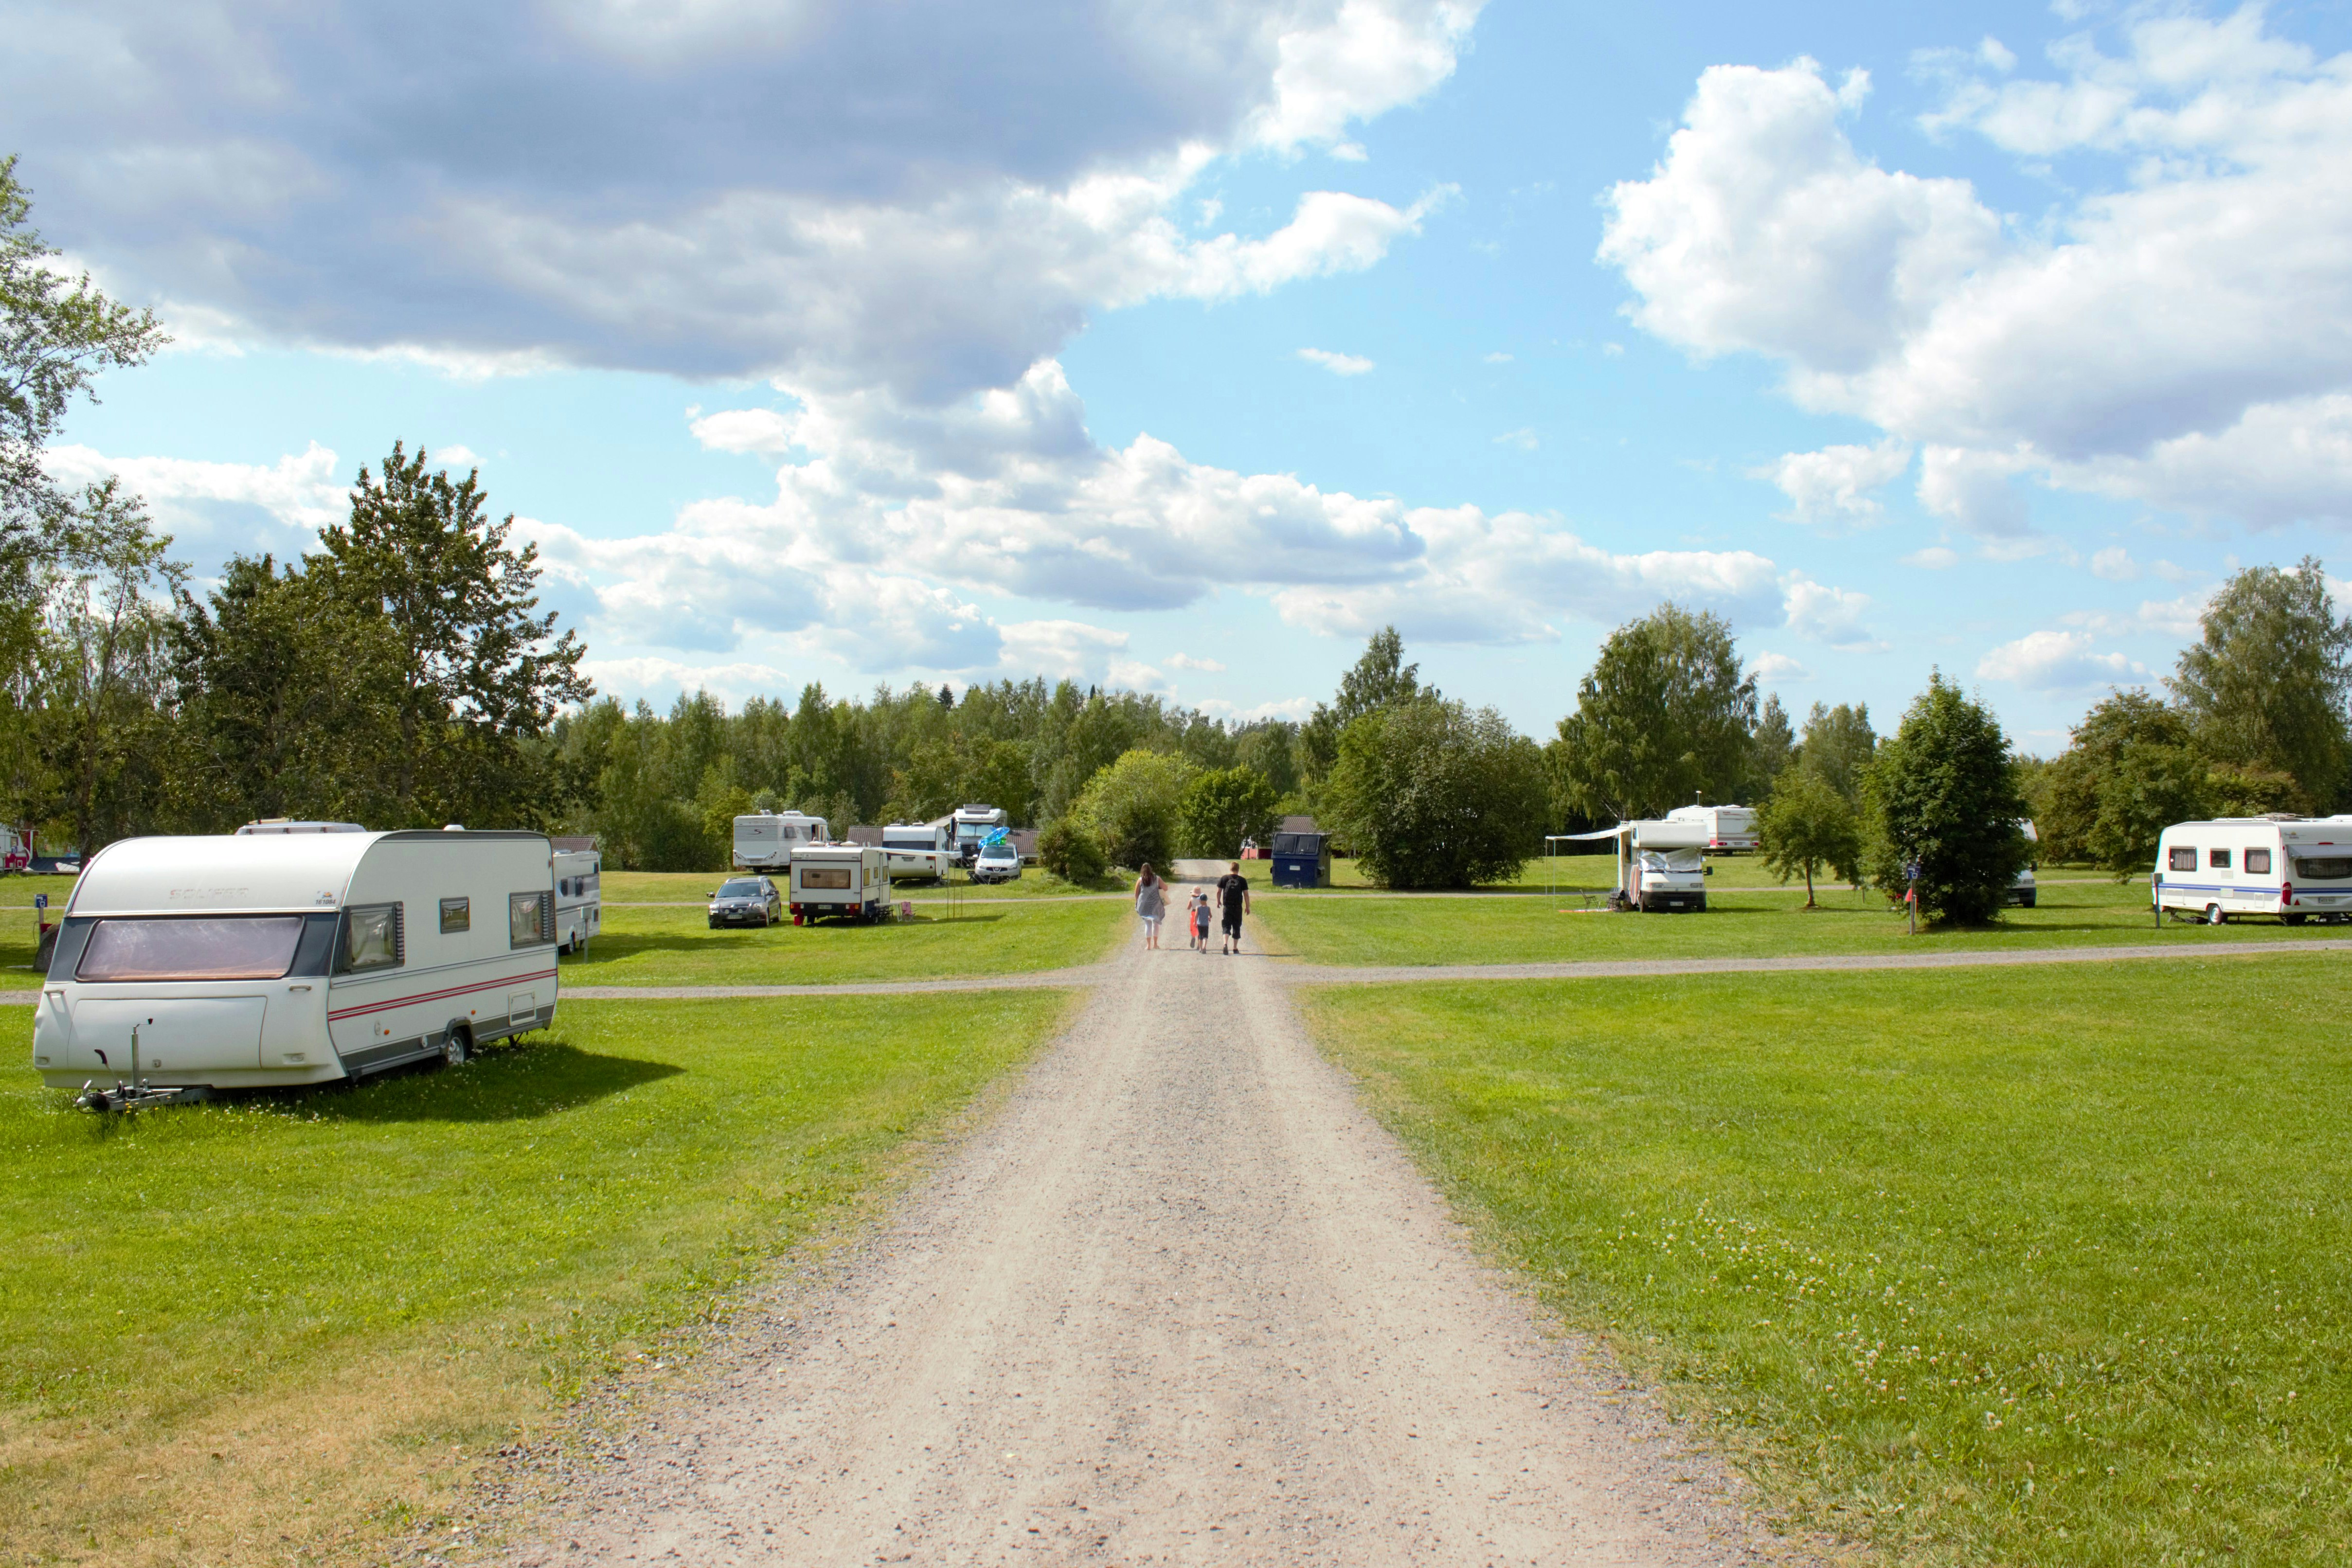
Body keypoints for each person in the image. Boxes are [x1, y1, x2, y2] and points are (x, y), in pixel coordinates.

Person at [1215, 861, 1252, 954]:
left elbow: (1219, 892)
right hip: (1238, 907)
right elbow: (1246, 895)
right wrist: (1248, 907)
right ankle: (1235, 948)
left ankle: (1225, 944)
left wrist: (1218, 901)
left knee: (1226, 926)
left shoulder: (1224, 879)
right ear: (1238, 870)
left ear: (1230, 869)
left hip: (1227, 907)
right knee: (1237, 926)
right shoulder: (1242, 880)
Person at [1133, 863, 1167, 950]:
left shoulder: (1140, 880)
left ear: (1142, 871)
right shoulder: (1157, 879)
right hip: (1155, 905)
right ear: (1151, 870)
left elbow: (1136, 894)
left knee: (1148, 924)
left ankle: (1148, 946)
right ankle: (1155, 944)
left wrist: (1139, 903)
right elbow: (1166, 888)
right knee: (1155, 924)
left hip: (1143, 905)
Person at [1189, 887, 1212, 952]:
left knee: (1199, 936)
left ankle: (1200, 948)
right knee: (1205, 937)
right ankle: (1204, 947)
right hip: (1206, 924)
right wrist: (1209, 917)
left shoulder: (1197, 907)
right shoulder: (1208, 908)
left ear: (1200, 900)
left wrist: (1195, 922)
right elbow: (1210, 915)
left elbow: (1196, 915)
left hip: (1199, 922)